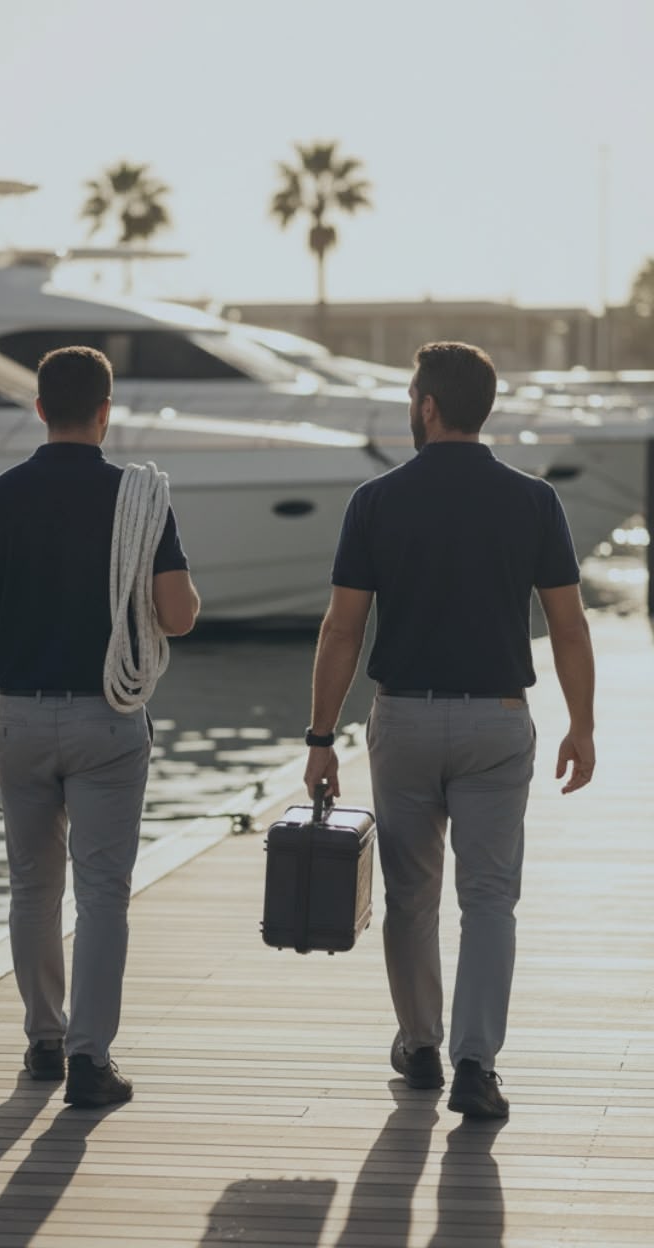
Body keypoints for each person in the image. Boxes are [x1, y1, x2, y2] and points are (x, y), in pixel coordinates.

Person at [303, 341, 595, 1119]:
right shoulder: (534, 501)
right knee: (491, 898)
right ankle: (476, 1065)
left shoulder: (377, 500)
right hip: (497, 720)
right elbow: (569, 627)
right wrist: (583, 726)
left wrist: (319, 737)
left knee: (412, 895)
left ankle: (421, 1045)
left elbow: (341, 631)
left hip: (403, 718)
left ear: (427, 407)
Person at [0, 345, 199, 1108]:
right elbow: (177, 617)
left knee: (32, 889)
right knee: (104, 894)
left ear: (41, 408)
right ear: (105, 411)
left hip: (17, 717)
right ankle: (90, 1060)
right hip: (108, 718)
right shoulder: (141, 499)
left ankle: (44, 1040)